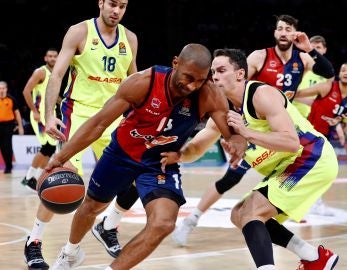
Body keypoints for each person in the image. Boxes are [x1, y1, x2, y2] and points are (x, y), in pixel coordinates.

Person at [46, 43, 243, 270]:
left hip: (161, 162)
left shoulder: (209, 94)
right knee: (91, 206)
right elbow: (98, 124)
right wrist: (61, 157)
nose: (192, 85)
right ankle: (70, 253)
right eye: (188, 77)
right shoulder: (143, 82)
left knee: (163, 223)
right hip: (122, 154)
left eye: (199, 79)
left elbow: (233, 135)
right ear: (175, 63)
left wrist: (237, 144)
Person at [164, 48, 339, 269]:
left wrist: (247, 134)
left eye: (221, 70)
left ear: (239, 74)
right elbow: (198, 147)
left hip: (311, 157)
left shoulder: (260, 94)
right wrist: (178, 155)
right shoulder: (222, 110)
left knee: (251, 212)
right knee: (239, 214)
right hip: (287, 166)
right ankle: (315, 258)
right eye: (212, 72)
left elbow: (291, 142)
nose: (215, 76)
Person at [23, 1, 139, 269]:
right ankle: (34, 242)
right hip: (79, 115)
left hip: (112, 117)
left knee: (134, 178)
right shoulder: (79, 32)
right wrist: (51, 114)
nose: (116, 10)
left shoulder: (130, 39)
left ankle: (109, 226)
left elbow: (134, 81)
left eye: (122, 6)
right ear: (101, 3)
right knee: (63, 183)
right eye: (112, 4)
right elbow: (58, 75)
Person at [296, 61, 347, 145]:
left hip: (328, 139)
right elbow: (296, 94)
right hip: (309, 131)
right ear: (339, 73)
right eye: (343, 70)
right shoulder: (327, 87)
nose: (346, 73)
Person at [21, 48, 59, 190]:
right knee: (46, 147)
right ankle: (28, 177)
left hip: (50, 115)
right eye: (50, 56)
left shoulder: (56, 73)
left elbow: (54, 95)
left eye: (55, 56)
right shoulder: (41, 72)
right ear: (45, 58)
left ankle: (35, 178)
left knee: (50, 148)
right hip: (39, 115)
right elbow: (26, 91)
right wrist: (34, 111)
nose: (53, 58)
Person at [293, 35, 329, 118]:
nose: (315, 51)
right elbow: (285, 92)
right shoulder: (296, 67)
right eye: (312, 48)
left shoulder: (328, 76)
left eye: (318, 47)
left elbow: (325, 104)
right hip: (290, 114)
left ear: (325, 50)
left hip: (311, 120)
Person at [0, 81, 24, 174]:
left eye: (3, 88)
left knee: (7, 146)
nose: (1, 90)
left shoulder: (11, 99)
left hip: (8, 125)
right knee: (2, 147)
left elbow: (17, 114)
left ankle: (9, 166)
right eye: (0, 88)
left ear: (6, 89)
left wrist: (20, 126)